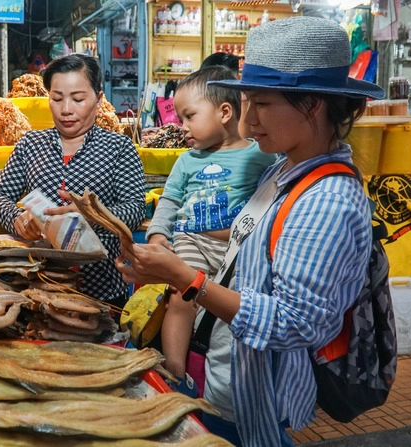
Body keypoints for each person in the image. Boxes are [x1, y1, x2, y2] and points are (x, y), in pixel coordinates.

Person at [115, 16, 384, 446]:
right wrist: (167, 269)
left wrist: (185, 278)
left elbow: (296, 323)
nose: (249, 119)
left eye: (261, 103)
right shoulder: (282, 172)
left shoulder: (328, 199)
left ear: (311, 104)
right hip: (227, 372)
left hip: (255, 396)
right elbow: (248, 254)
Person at [147, 65, 276, 396]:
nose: (182, 127)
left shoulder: (259, 156)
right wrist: (159, 235)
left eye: (189, 116)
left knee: (230, 308)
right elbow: (170, 200)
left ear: (224, 112)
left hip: (237, 252)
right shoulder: (187, 161)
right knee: (182, 295)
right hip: (192, 239)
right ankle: (174, 368)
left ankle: (232, 376)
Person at [0, 53, 145, 309]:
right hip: (38, 283)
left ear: (98, 99)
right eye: (57, 98)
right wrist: (17, 219)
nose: (66, 109)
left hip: (100, 286)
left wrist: (93, 213)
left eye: (78, 99)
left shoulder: (119, 148)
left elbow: (135, 209)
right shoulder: (31, 145)